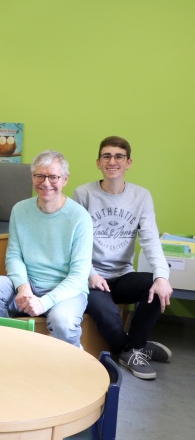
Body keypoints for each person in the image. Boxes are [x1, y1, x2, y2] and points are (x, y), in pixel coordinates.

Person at [72, 136, 173, 379]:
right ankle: (134, 348)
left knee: (156, 286)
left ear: (129, 162)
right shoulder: (83, 193)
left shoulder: (141, 196)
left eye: (119, 156)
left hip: (122, 275)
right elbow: (73, 243)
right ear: (98, 162)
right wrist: (90, 274)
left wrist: (162, 276)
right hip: (92, 279)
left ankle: (135, 347)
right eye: (106, 156)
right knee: (108, 317)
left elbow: (150, 240)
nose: (112, 161)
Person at [0, 150, 93, 347]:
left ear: (65, 179)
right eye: (39, 176)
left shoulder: (80, 217)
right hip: (30, 284)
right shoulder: (20, 210)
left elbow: (79, 275)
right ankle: (6, 347)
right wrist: (23, 287)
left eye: (53, 177)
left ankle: (75, 363)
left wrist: (44, 302)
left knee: (63, 322)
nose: (45, 183)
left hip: (65, 291)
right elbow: (14, 255)